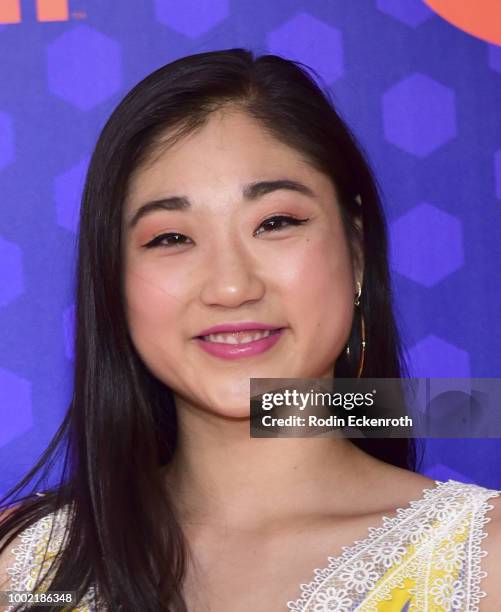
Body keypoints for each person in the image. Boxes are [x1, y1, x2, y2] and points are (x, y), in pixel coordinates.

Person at [0, 48, 500, 612]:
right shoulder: (27, 564)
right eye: (171, 238)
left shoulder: (484, 560)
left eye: (275, 223)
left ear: (356, 253)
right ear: (114, 282)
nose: (231, 287)